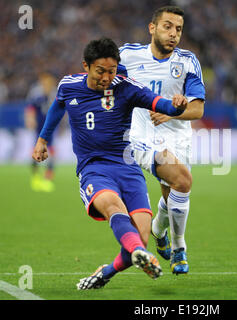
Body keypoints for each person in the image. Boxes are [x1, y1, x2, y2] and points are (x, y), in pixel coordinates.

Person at [32, 37, 187, 289]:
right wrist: (42, 140)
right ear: (86, 66)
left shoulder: (126, 87)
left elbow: (161, 104)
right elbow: (57, 106)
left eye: (112, 71)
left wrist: (177, 106)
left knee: (139, 240)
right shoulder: (68, 85)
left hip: (128, 169)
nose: (106, 77)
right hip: (94, 169)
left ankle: (106, 272)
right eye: (100, 71)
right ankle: (138, 252)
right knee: (114, 206)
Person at [118, 5, 205, 275]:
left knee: (173, 193)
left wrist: (172, 111)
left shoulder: (188, 61)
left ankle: (158, 229)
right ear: (152, 28)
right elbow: (107, 87)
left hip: (178, 137)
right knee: (183, 180)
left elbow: (198, 110)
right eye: (167, 26)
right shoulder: (127, 56)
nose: (173, 34)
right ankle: (179, 247)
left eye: (178, 29)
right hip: (141, 136)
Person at [25, 72, 57, 192]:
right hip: (39, 129)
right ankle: (36, 177)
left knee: (52, 154)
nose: (46, 85)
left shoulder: (55, 94)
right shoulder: (37, 95)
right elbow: (30, 109)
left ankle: (48, 179)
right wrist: (30, 119)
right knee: (36, 152)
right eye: (45, 82)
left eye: (49, 82)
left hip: (51, 129)